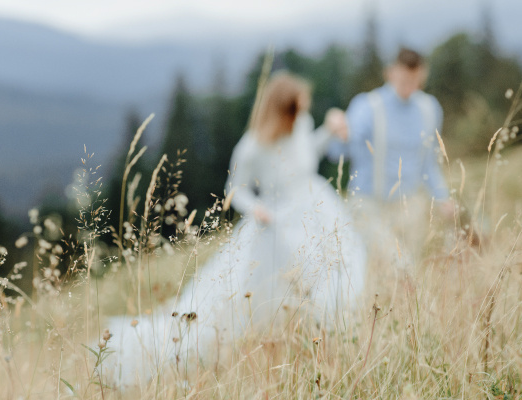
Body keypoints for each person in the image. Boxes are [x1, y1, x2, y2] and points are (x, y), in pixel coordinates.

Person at [105, 71, 366, 389]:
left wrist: (329, 130)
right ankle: (268, 346)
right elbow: (235, 188)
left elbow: (306, 153)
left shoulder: (303, 123)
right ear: (279, 110)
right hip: (276, 222)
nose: (299, 115)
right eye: (293, 110)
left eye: (301, 109)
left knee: (330, 272)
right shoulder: (252, 146)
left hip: (315, 206)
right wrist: (255, 207)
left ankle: (323, 335)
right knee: (267, 291)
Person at [327, 48, 452, 264]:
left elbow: (429, 163)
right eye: (405, 80)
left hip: (409, 206)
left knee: (405, 273)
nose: (410, 87)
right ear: (390, 72)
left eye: (416, 81)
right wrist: (338, 132)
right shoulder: (366, 106)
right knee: (397, 267)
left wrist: (442, 197)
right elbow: (336, 153)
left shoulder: (430, 109)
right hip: (369, 205)